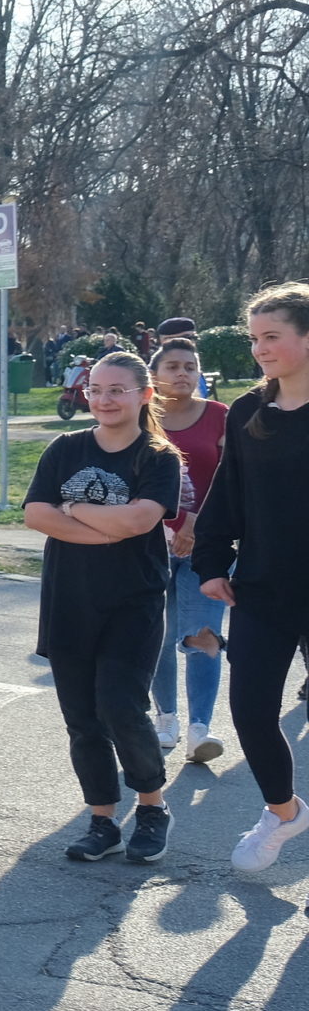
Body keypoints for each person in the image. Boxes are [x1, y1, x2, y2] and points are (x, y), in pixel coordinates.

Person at [22, 351, 181, 863]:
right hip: (69, 601)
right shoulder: (65, 448)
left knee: (120, 705)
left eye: (117, 390)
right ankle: (102, 819)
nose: (104, 399)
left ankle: (153, 806)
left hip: (132, 602)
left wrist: (74, 509)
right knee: (83, 718)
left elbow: (140, 522)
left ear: (144, 395)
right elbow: (35, 514)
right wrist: (102, 529)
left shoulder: (158, 458)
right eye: (96, 389)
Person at [199, 283, 309, 871]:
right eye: (255, 338)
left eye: (273, 337)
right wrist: (213, 563)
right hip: (263, 585)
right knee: (249, 709)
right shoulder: (247, 411)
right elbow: (228, 494)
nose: (260, 349)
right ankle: (284, 813)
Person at [148, 337, 228, 762]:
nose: (182, 373)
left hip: (206, 547)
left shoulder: (219, 417)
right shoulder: (141, 419)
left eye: (190, 367)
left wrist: (196, 524)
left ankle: (200, 730)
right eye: (173, 366)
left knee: (203, 636)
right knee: (156, 635)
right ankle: (167, 719)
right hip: (148, 545)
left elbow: (233, 479)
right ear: (154, 374)